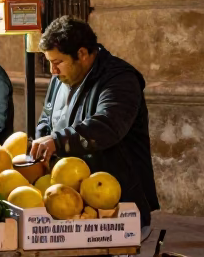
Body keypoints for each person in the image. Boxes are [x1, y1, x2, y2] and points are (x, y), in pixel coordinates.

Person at [30, 15, 158, 229]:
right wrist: (43, 139)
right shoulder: (60, 79)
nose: (53, 71)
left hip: (117, 202)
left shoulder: (120, 79)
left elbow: (108, 125)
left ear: (82, 54)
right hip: (73, 199)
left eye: (58, 62)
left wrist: (58, 141)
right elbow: (48, 117)